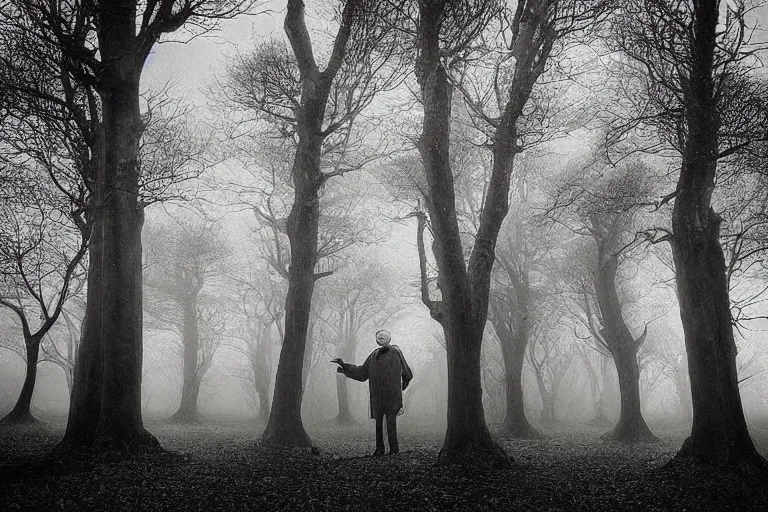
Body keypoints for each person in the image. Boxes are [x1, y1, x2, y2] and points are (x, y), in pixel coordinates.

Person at [332, 330, 413, 456]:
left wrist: (404, 384)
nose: (381, 337)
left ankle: (394, 449)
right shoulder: (373, 355)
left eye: (384, 336)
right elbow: (362, 373)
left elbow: (406, 371)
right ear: (376, 339)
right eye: (378, 336)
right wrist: (344, 367)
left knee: (391, 422)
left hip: (392, 395)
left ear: (389, 338)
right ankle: (380, 449)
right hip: (377, 396)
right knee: (379, 423)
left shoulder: (396, 352)